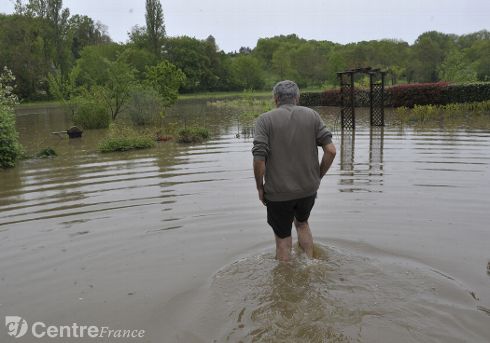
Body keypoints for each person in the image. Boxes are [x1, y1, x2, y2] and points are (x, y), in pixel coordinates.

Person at [252, 80, 336, 261]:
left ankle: (285, 282)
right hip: (308, 189)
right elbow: (331, 150)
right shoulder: (312, 116)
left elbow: (259, 159)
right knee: (302, 224)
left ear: (275, 99)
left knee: (283, 239)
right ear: (297, 98)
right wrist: (318, 176)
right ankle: (310, 264)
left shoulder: (265, 120)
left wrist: (260, 187)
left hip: (278, 193)